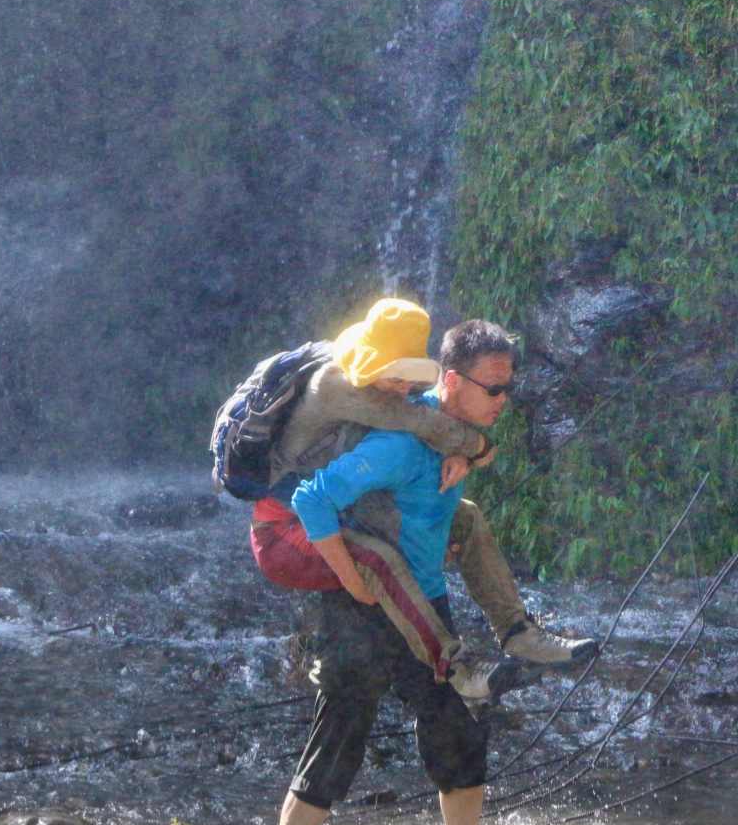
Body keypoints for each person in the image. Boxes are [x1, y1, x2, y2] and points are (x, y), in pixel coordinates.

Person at [266, 320, 522, 825]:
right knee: (340, 735)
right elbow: (315, 498)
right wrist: (351, 581)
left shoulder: (442, 422)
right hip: (364, 597)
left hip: (424, 598)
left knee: (456, 726)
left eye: (509, 388)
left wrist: (474, 453)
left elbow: (460, 439)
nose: (504, 399)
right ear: (455, 382)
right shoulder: (399, 432)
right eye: (494, 389)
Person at [249, 299, 592, 707]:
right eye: (396, 375)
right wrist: (355, 584)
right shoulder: (341, 388)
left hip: (344, 509)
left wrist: (465, 453)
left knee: (465, 517)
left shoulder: (391, 395)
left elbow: (430, 419)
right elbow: (419, 425)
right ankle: (453, 667)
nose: (403, 387)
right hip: (290, 526)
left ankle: (516, 631)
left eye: (410, 374)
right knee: (376, 577)